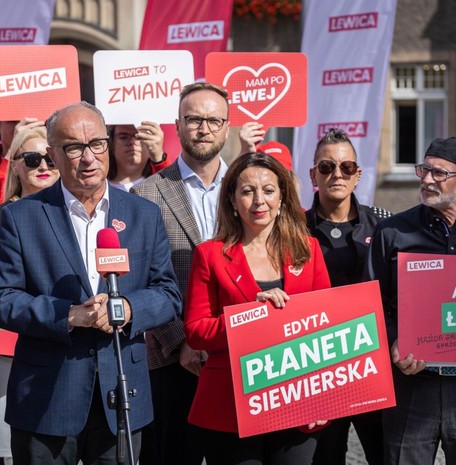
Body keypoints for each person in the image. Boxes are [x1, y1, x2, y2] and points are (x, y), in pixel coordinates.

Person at [0, 101, 182, 464]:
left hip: (121, 395)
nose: (88, 157)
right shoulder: (20, 217)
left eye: (97, 144)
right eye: (74, 147)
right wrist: (68, 314)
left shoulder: (143, 214)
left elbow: (168, 294)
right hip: (45, 399)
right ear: (53, 155)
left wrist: (127, 308)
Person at [184, 152, 331, 464]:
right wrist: (249, 316)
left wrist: (323, 398)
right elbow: (196, 331)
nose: (259, 201)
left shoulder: (309, 250)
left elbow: (327, 328)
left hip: (298, 398)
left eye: (268, 190)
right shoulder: (210, 255)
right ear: (232, 200)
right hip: (231, 404)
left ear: (282, 197)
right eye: (248, 191)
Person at [131, 81, 234, 465]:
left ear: (227, 127)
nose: (203, 129)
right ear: (177, 125)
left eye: (213, 120)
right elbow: (140, 281)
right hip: (173, 358)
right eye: (193, 120)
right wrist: (182, 341)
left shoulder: (249, 189)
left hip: (241, 352)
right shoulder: (145, 194)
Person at [0, 126, 59, 463]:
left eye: (50, 158)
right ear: (16, 165)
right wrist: (5, 286)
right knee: (3, 444)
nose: (43, 165)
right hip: (7, 343)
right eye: (32, 159)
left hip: (61, 336)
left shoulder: (77, 216)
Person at [367, 137, 456, 465]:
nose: (427, 179)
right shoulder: (392, 232)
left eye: (439, 173)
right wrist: (394, 340)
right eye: (424, 170)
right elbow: (371, 305)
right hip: (412, 386)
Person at [306, 129, 389, 465]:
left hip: (373, 365)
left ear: (358, 174)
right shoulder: (293, 228)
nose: (336, 174)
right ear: (313, 175)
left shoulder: (384, 225)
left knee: (386, 455)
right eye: (326, 167)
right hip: (320, 368)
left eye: (346, 166)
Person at [107, 121, 169, 191]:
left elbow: (170, 190)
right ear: (111, 143)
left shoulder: (161, 184)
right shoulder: (99, 186)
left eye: (140, 137)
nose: (132, 142)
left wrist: (158, 158)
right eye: (123, 137)